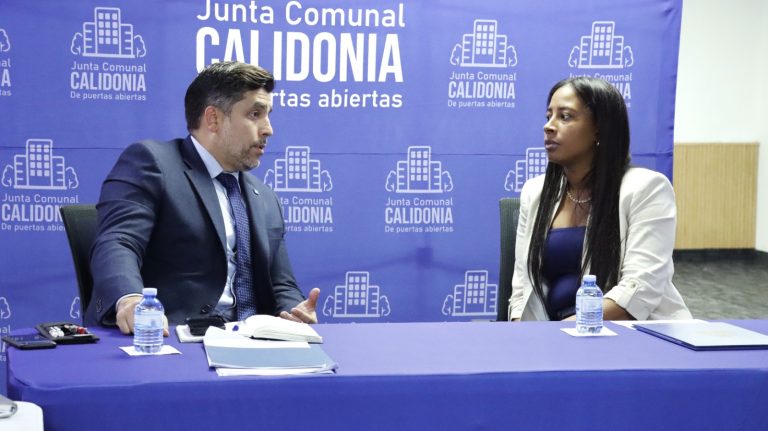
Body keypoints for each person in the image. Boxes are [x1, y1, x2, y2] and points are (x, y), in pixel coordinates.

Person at [86, 61, 320, 335]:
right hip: (173, 336)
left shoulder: (265, 196)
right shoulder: (153, 164)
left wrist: (294, 311)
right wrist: (130, 299)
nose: (268, 129)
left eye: (268, 115)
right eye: (255, 114)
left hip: (252, 343)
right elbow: (119, 241)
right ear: (213, 119)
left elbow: (281, 283)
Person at [508, 76, 691, 321]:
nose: (549, 126)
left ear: (599, 129)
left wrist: (564, 331)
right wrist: (523, 332)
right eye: (548, 116)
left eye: (565, 117)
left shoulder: (647, 188)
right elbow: (522, 288)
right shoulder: (535, 192)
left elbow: (640, 291)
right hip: (555, 334)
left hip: (633, 333)